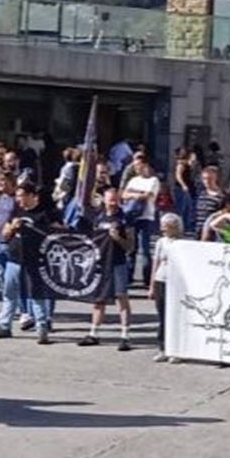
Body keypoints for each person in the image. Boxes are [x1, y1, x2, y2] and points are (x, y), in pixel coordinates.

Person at [0, 180, 57, 344]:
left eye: (22, 196)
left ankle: (42, 328)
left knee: (36, 294)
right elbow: (5, 235)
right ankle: (5, 325)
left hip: (35, 260)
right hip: (15, 258)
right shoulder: (17, 212)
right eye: (18, 196)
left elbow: (56, 234)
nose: (19, 200)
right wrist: (12, 227)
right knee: (9, 293)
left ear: (33, 196)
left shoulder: (46, 213)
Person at [78, 187, 135, 350]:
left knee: (121, 297)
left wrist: (117, 238)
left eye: (115, 199)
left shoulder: (125, 218)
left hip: (117, 262)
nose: (112, 202)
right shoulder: (98, 217)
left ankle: (125, 335)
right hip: (101, 263)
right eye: (109, 199)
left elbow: (130, 246)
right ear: (103, 199)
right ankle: (94, 333)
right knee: (98, 299)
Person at [149, 212, 184, 362]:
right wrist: (151, 286)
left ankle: (176, 349)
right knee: (162, 316)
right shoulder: (161, 242)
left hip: (176, 282)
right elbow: (155, 263)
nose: (164, 229)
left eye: (167, 227)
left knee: (175, 315)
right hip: (161, 279)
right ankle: (162, 347)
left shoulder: (183, 243)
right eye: (163, 227)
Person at [121, 155, 160, 282]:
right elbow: (123, 194)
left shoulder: (153, 180)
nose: (136, 168)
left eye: (139, 165)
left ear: (146, 166)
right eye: (135, 166)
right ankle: (129, 276)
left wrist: (133, 195)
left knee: (145, 248)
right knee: (131, 247)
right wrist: (137, 195)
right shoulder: (133, 180)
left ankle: (147, 277)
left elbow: (148, 195)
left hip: (146, 216)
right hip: (131, 217)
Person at [192, 164, 226, 240]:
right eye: (204, 179)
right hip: (198, 231)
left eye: (210, 178)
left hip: (213, 233)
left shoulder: (222, 196)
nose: (207, 181)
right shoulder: (200, 194)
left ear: (216, 178)